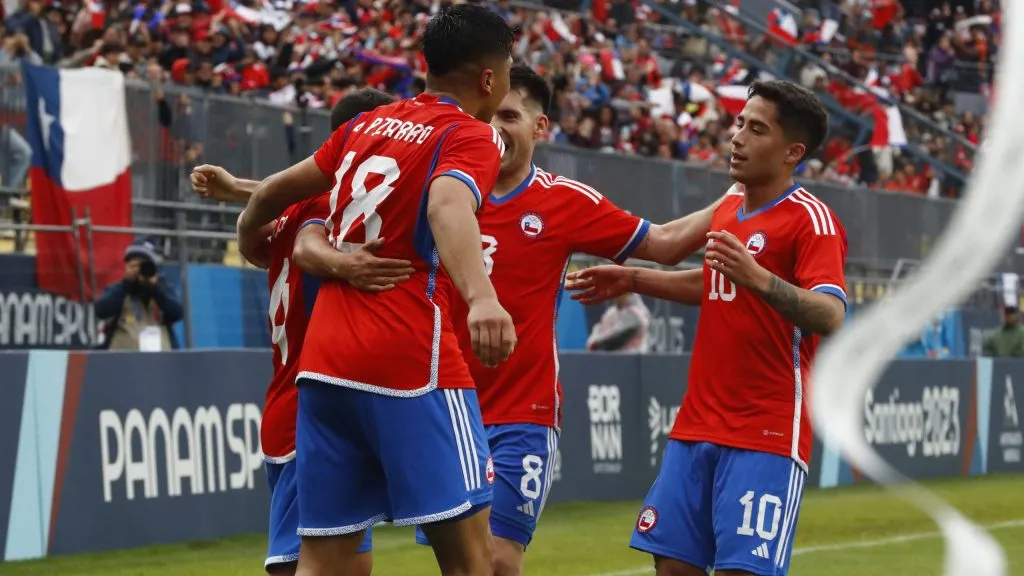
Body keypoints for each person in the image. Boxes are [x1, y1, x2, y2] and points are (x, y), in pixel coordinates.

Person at [236, 5, 518, 575]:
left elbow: (273, 191)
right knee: (471, 560)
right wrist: (484, 297)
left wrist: (248, 235)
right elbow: (446, 203)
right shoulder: (470, 134)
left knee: (325, 562)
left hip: (326, 370)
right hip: (412, 364)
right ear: (490, 78)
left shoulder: (363, 126)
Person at [415, 64, 723, 576]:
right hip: (442, 410)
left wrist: (741, 195)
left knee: (496, 560)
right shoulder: (436, 193)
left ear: (539, 129)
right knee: (459, 564)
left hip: (521, 413)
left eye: (510, 116)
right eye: (489, 114)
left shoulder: (563, 201)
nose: (495, 127)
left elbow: (665, 244)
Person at [567, 80, 847, 576]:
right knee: (673, 566)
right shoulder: (728, 207)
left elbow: (830, 313)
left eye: (756, 129)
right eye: (739, 123)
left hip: (766, 428)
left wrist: (758, 277)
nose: (736, 137)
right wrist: (632, 277)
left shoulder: (812, 220)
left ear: (792, 152)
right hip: (696, 423)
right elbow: (715, 281)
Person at [190, 88, 406, 575]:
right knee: (300, 566)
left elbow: (271, 216)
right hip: (304, 409)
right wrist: (349, 266)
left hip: (331, 404)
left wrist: (239, 197)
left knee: (353, 566)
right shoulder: (333, 212)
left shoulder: (310, 206)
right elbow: (309, 238)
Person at [93, 236, 184, 351]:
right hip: (122, 362)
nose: (140, 270)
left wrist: (155, 288)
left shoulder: (162, 289)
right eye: (134, 265)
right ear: (127, 267)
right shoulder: (118, 289)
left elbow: (178, 312)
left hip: (161, 362)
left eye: (144, 265)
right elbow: (101, 310)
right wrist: (127, 284)